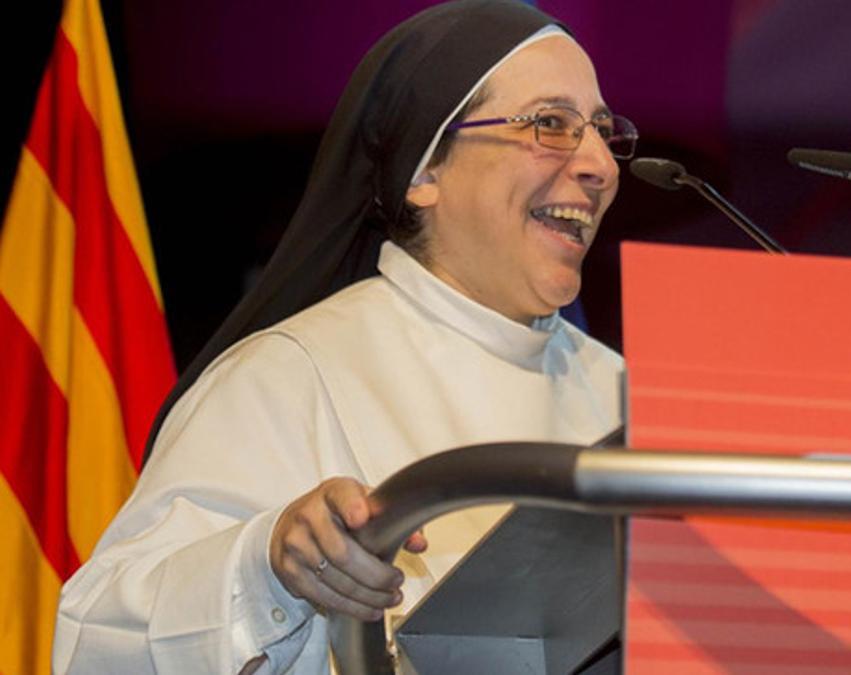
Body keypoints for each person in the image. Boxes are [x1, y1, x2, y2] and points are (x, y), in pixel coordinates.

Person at [52, 1, 635, 672]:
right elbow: (93, 643)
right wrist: (269, 564)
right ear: (425, 173)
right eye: (551, 124)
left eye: (600, 129)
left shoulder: (625, 389)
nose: (601, 164)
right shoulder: (288, 376)